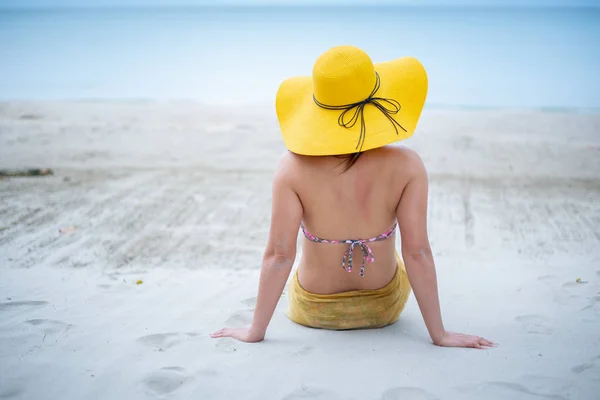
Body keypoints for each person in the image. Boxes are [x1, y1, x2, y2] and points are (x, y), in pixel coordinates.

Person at [211, 45, 494, 349]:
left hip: (314, 308)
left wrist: (255, 329)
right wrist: (440, 335)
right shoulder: (408, 165)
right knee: (399, 255)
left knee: (301, 261)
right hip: (384, 306)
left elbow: (279, 256)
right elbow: (418, 253)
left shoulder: (291, 168)